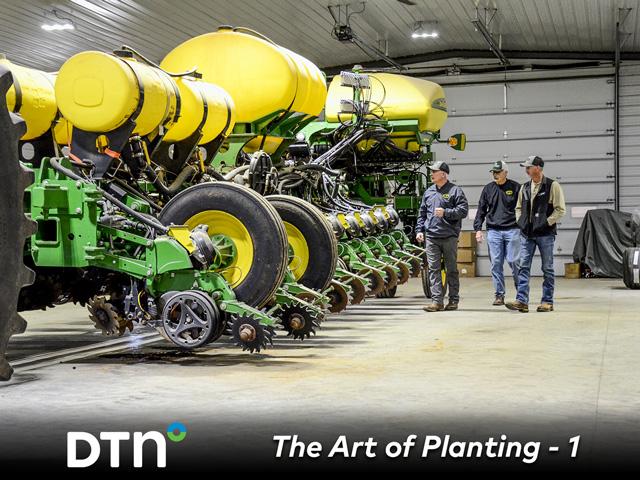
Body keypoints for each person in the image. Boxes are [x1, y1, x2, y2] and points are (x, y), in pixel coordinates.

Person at [506, 156, 566, 313]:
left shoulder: (552, 185)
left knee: (547, 268)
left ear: (538, 168)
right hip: (527, 234)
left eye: (529, 167)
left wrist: (546, 223)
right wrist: (521, 222)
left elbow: (560, 209)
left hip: (545, 235)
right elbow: (518, 208)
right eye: (525, 167)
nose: (526, 169)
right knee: (523, 267)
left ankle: (547, 301)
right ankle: (522, 301)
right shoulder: (524, 187)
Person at [416, 160, 469, 312]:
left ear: (443, 174)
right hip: (431, 237)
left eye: (434, 171)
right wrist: (419, 230)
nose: (431, 174)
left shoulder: (455, 191)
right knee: (433, 269)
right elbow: (422, 213)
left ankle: (453, 300)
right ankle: (437, 302)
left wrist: (446, 212)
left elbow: (463, 211)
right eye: (431, 171)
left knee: (451, 269)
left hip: (449, 237)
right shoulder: (429, 192)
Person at [473, 160, 521, 306]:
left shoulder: (516, 187)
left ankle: (521, 292)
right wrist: (478, 229)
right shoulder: (488, 189)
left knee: (514, 262)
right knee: (496, 264)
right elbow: (481, 209)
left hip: (512, 229)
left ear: (505, 172)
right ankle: (499, 295)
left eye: (498, 172)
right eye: (493, 172)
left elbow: (523, 208)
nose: (495, 174)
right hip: (494, 231)